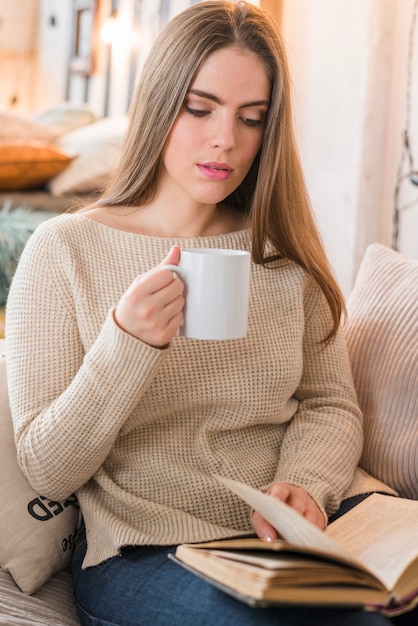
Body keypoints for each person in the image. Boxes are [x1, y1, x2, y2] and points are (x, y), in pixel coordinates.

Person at [5, 1, 405, 625]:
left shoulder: (280, 254)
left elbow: (329, 403)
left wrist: (307, 484)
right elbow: (49, 471)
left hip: (282, 543)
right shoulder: (65, 251)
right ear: (162, 104)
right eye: (201, 108)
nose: (226, 139)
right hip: (146, 552)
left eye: (252, 118)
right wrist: (126, 343)